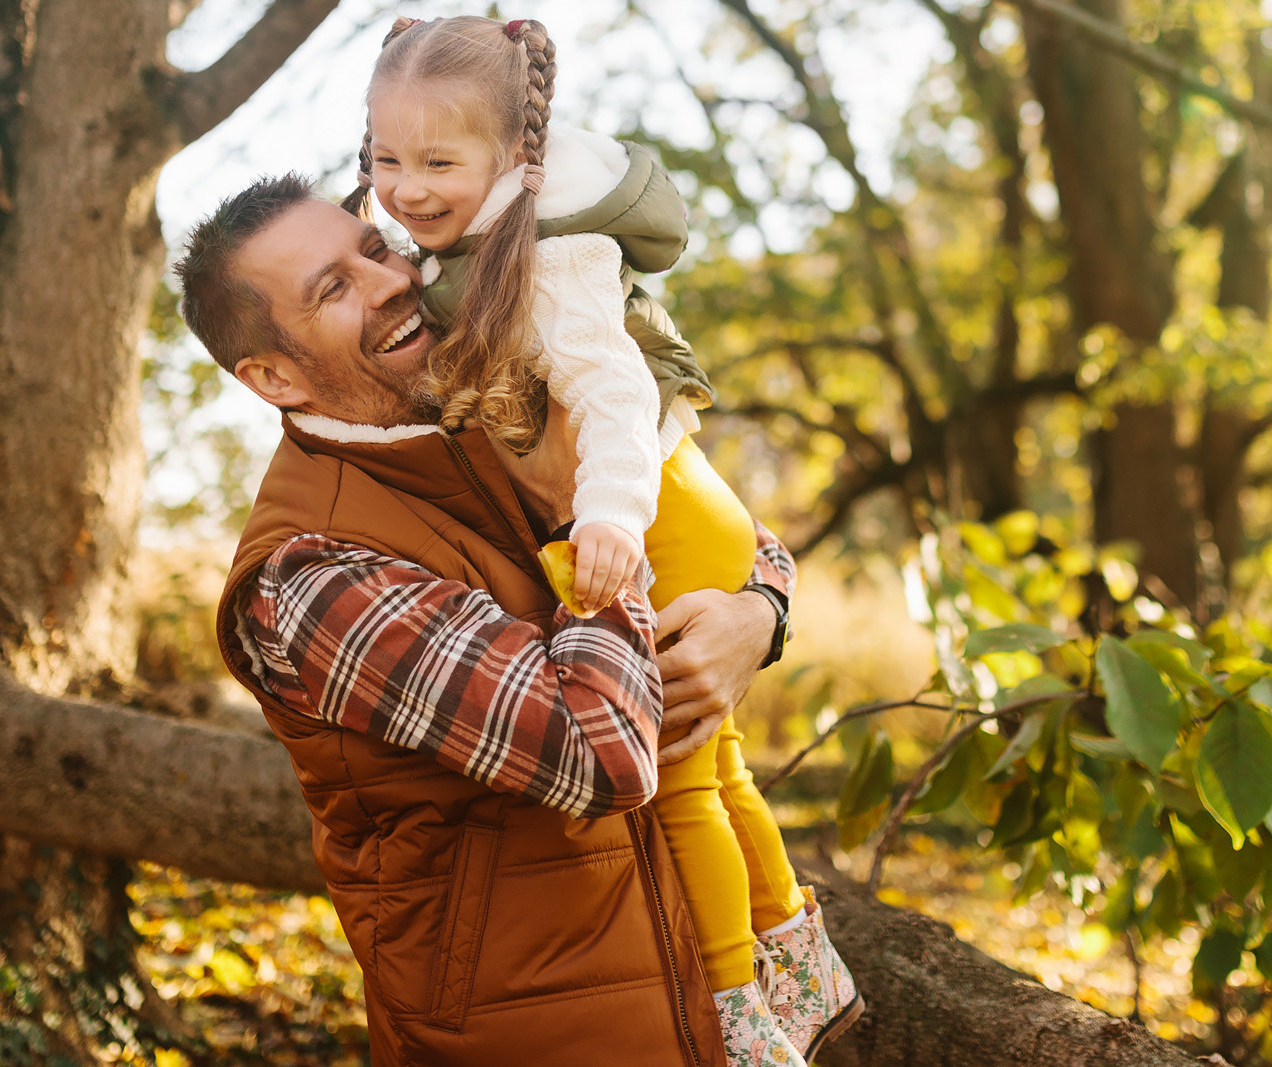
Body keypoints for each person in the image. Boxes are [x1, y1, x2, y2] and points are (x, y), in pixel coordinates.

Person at [178, 181, 827, 1065]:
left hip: (707, 1010)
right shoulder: (311, 575)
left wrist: (759, 614)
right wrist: (582, 515)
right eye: (332, 289)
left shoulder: (494, 412)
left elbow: (721, 531)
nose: (389, 281)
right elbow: (597, 756)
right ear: (273, 375)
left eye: (374, 248)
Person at [343, 15, 857, 1066]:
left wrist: (611, 519)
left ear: (514, 160)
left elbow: (615, 397)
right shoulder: (440, 228)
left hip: (654, 503)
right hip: (677, 497)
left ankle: (733, 1012)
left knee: (677, 790)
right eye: (385, 158)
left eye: (439, 161)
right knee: (718, 771)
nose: (406, 187)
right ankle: (808, 974)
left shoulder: (555, 252)